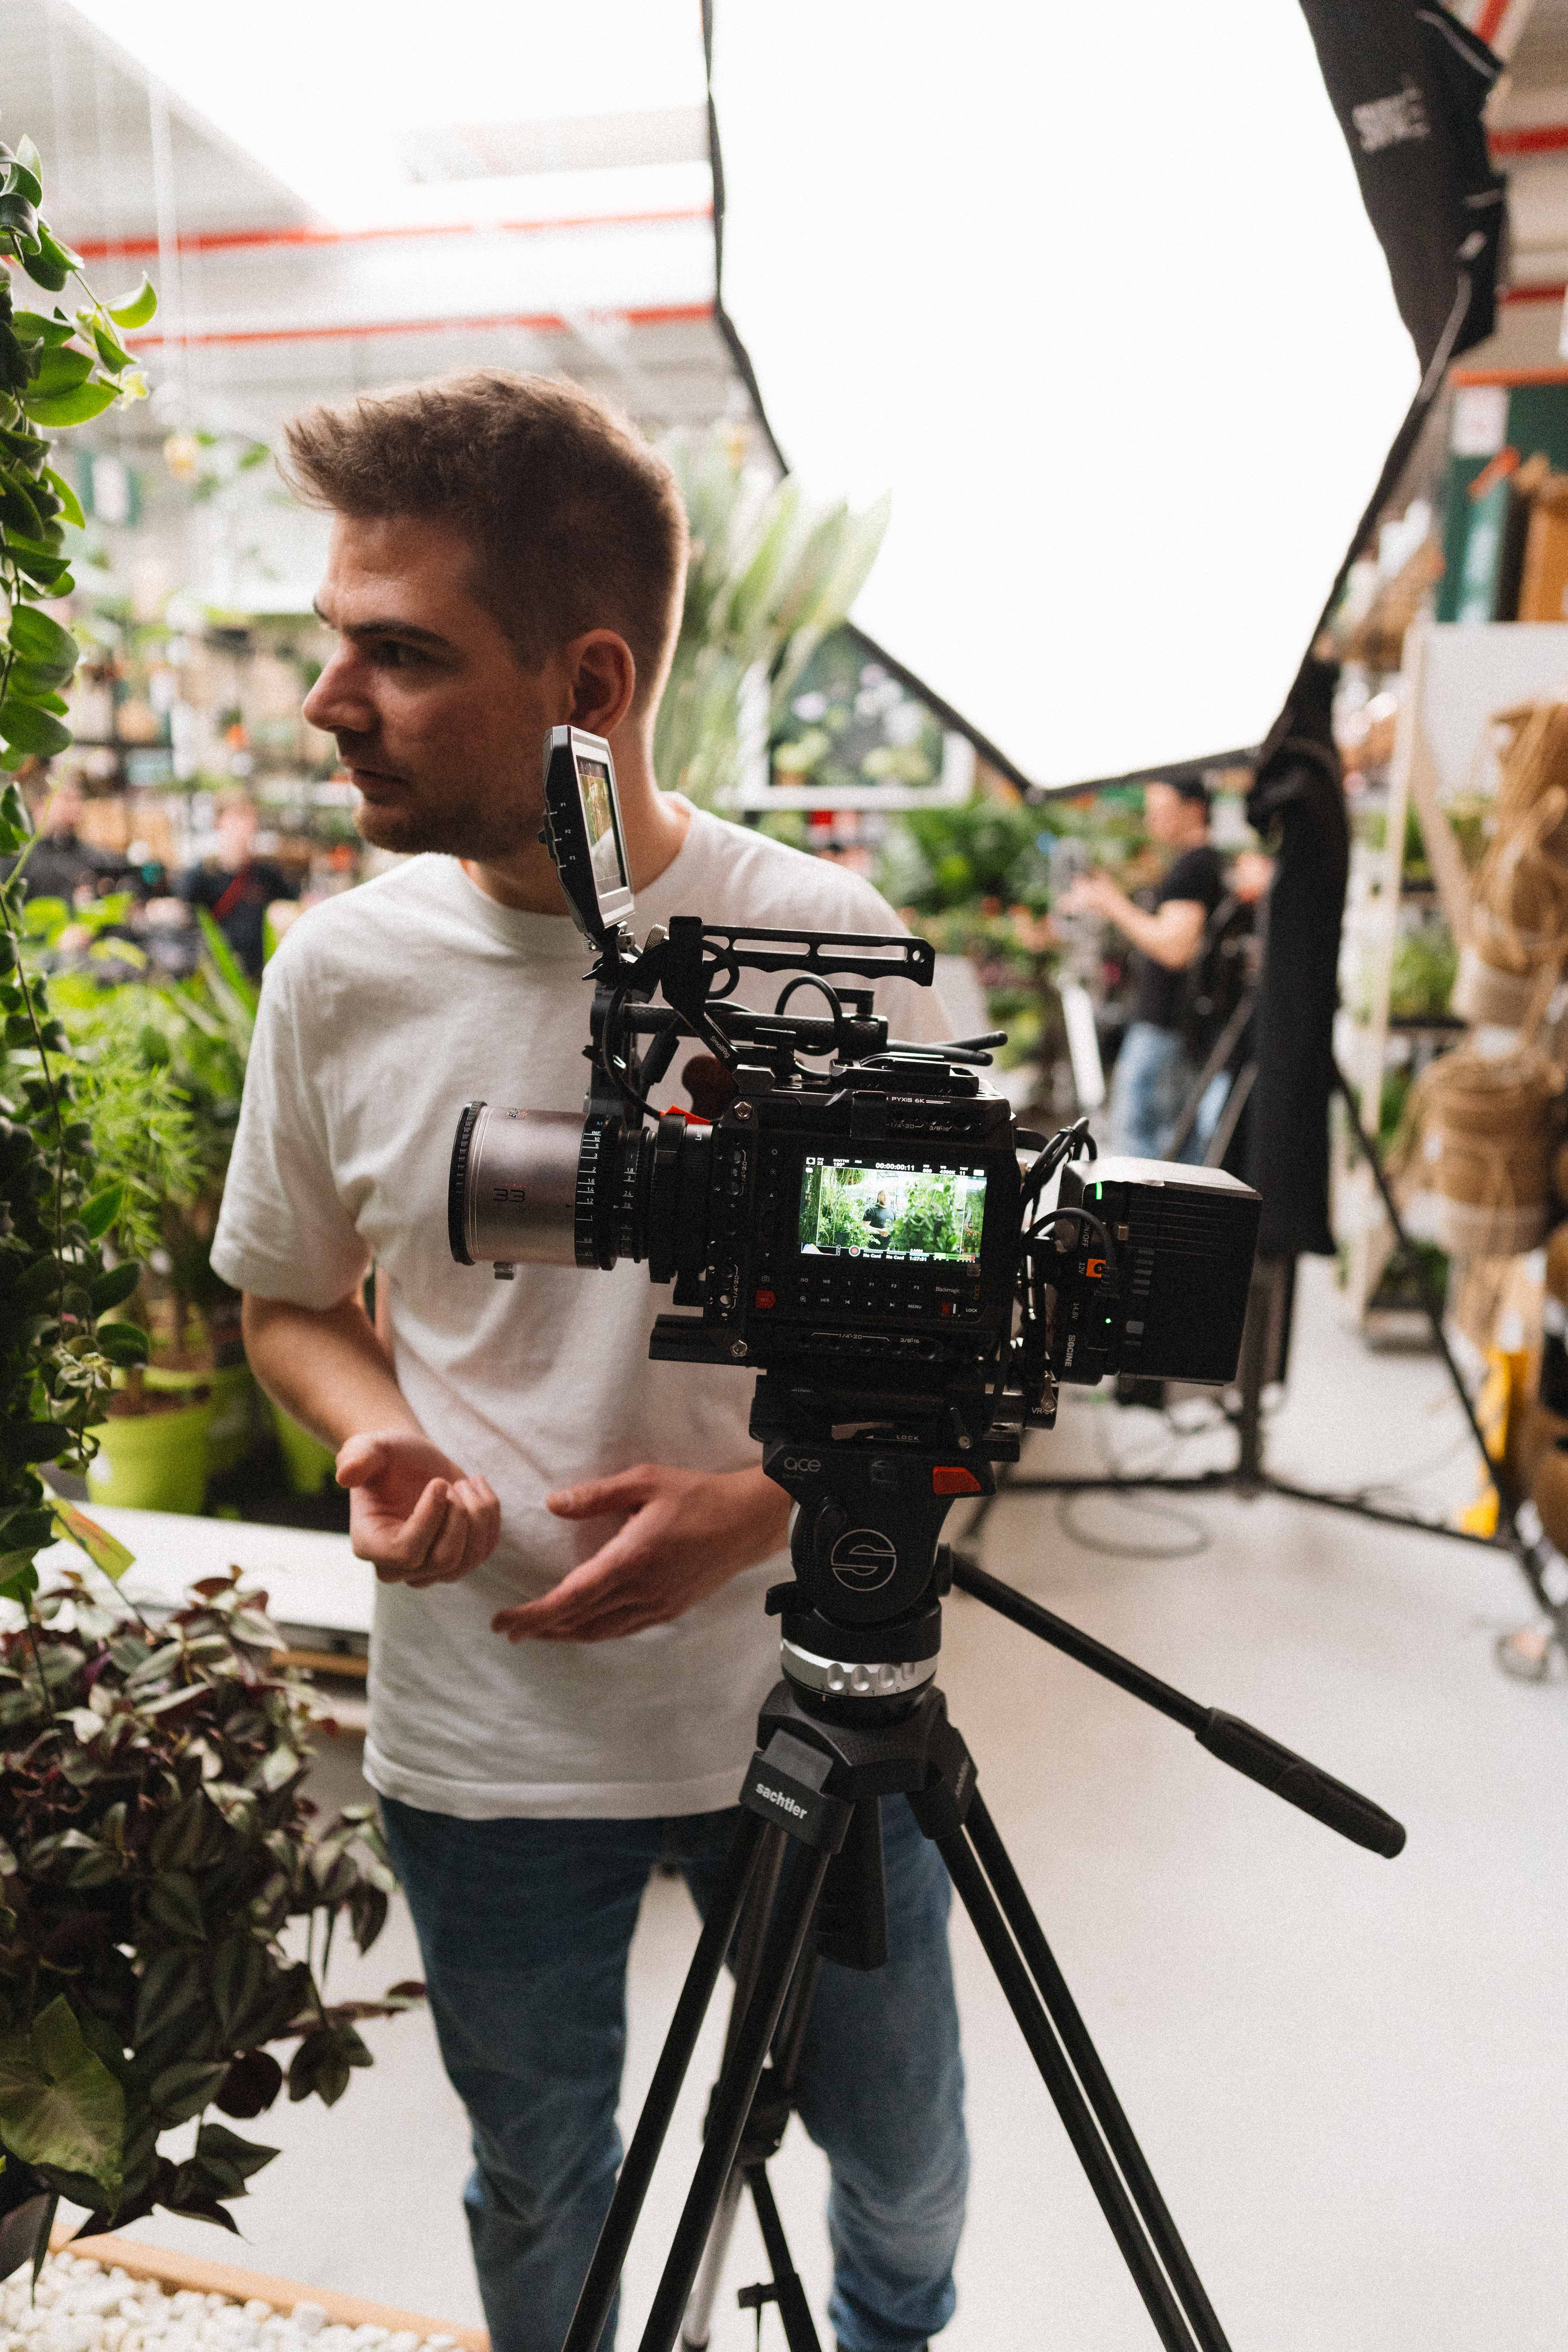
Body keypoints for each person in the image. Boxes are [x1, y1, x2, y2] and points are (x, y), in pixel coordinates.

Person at [209, 372, 965, 2352]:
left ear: (591, 673)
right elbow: (284, 1292)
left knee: (899, 2158)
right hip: (481, 1734)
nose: (327, 702)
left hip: (811, 1697)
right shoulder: (341, 977)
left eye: (398, 652)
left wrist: (761, 1505)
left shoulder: (827, 951)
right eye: (332, 644)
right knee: (544, 2172)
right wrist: (378, 1437)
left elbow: (958, 1346)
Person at [1059, 776, 1226, 1161]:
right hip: (1174, 1028)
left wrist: (1111, 903)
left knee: (1143, 1146)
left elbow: (1174, 947)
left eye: (1160, 808)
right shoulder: (1196, 865)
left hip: (1166, 1026)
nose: (1152, 819)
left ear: (1194, 808)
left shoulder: (1196, 866)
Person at [177, 790, 298, 977]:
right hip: (217, 976)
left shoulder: (269, 875)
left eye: (251, 817)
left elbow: (293, 909)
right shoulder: (200, 877)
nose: (246, 825)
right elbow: (183, 916)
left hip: (260, 973)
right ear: (219, 822)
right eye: (239, 816)